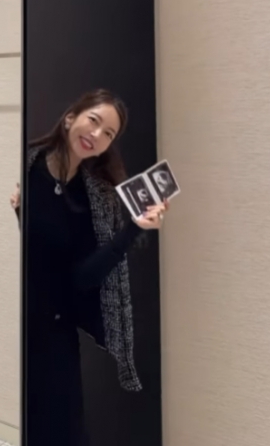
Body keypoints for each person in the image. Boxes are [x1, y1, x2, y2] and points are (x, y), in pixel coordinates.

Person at [10, 89, 170, 446]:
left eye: (108, 133)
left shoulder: (98, 197)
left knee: (64, 430)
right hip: (13, 321)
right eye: (94, 121)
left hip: (55, 330)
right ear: (71, 118)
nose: (96, 134)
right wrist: (18, 215)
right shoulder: (24, 165)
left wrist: (134, 229)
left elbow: (82, 278)